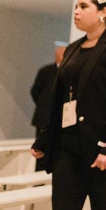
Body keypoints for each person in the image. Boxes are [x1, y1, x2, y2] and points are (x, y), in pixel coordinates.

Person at [30, 0, 106, 210]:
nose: (77, 11)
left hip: (104, 147)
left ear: (103, 12)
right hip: (68, 147)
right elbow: (60, 100)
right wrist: (44, 138)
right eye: (76, 7)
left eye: (83, 6)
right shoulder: (72, 49)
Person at [31, 41, 66, 170]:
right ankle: (39, 173)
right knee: (40, 147)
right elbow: (35, 91)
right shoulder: (46, 71)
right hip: (43, 115)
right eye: (61, 53)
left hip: (60, 117)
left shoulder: (69, 71)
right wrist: (44, 105)